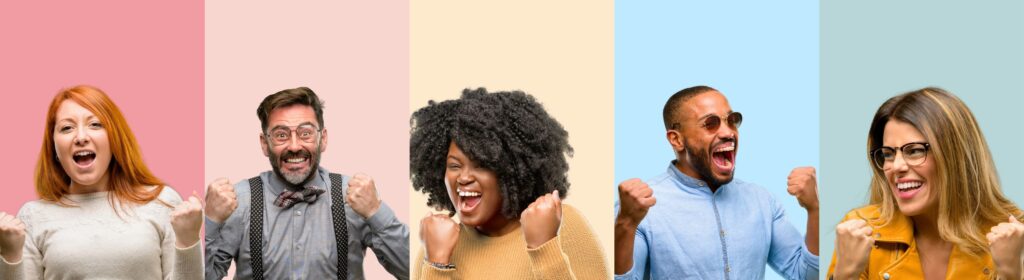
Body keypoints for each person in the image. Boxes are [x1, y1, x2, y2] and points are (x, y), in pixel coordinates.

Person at [614, 85, 819, 279]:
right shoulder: (640, 208)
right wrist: (626, 223)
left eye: (732, 120)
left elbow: (806, 275)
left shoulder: (763, 201)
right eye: (710, 124)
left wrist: (814, 209)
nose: (728, 132)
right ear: (676, 140)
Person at [204, 87, 409, 280]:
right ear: (265, 144)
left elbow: (411, 271)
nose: (294, 146)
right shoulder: (238, 200)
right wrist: (210, 222)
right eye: (281, 135)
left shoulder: (355, 197)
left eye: (305, 133)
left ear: (323, 139)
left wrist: (376, 212)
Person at [0, 85, 204, 280]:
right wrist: (9, 256)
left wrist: (188, 239)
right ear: (54, 147)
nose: (81, 137)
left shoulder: (162, 202)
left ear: (114, 138)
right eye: (67, 128)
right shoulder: (33, 216)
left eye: (95, 124)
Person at [410, 88, 609, 279]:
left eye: (481, 165)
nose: (463, 177)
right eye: (454, 165)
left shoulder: (563, 226)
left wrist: (545, 248)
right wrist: (436, 264)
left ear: (513, 171)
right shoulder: (436, 243)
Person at [828, 87, 1024, 280]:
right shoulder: (859, 231)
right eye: (888, 154)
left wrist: (1012, 274)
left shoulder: (1014, 235)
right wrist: (845, 274)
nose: (896, 166)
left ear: (955, 155)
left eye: (914, 151)